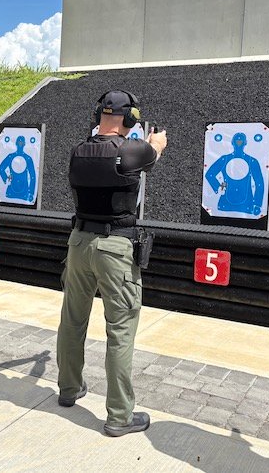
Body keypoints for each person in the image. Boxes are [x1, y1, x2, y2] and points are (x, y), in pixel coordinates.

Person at [56, 90, 167, 437]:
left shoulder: (78, 150)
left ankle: (68, 388)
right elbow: (154, 152)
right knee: (120, 330)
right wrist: (156, 141)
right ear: (129, 119)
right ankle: (119, 415)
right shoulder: (130, 151)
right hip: (115, 247)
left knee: (73, 319)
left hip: (78, 243)